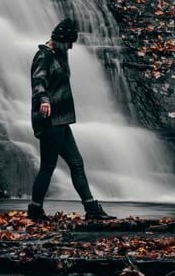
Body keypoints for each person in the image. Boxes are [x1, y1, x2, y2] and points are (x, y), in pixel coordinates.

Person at [27, 17, 113, 221]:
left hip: (61, 119)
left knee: (76, 163)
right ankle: (35, 209)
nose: (71, 47)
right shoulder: (44, 56)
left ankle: (91, 209)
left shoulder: (56, 56)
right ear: (60, 40)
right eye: (69, 43)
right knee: (48, 166)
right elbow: (38, 79)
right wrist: (43, 99)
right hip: (49, 119)